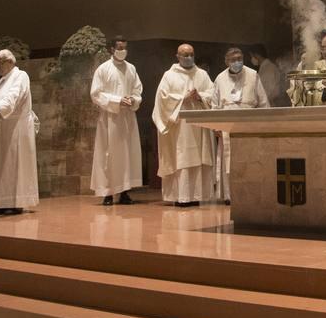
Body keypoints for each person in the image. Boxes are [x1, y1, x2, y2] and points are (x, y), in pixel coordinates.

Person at [152, 44, 214, 207]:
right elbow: (162, 99)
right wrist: (183, 98)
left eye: (191, 54)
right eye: (185, 55)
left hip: (199, 126)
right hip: (179, 126)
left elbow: (213, 94)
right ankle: (181, 196)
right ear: (177, 56)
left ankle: (196, 195)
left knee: (198, 157)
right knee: (181, 157)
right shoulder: (169, 75)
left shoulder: (202, 74)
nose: (188, 58)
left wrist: (200, 97)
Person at [90, 36, 143, 207]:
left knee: (126, 154)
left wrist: (132, 100)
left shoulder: (131, 68)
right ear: (111, 49)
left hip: (127, 117)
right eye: (119, 48)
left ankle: (125, 191)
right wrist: (117, 100)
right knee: (109, 154)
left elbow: (138, 90)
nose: (123, 51)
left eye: (125, 47)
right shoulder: (103, 69)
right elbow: (96, 94)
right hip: (110, 118)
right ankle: (107, 192)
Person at [0, 49, 38, 215]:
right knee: (3, 166)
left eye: (0, 63)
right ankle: (1, 201)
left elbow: (13, 97)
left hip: (17, 127)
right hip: (3, 125)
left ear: (10, 62)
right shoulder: (2, 81)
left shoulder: (20, 76)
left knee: (15, 164)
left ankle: (16, 201)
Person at [213, 46, 270, 203]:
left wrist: (263, 126)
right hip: (227, 126)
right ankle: (230, 196)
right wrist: (216, 127)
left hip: (249, 125)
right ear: (226, 62)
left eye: (239, 59)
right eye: (233, 60)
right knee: (229, 160)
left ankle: (251, 193)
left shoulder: (253, 75)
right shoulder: (220, 78)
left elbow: (263, 102)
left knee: (250, 160)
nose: (237, 62)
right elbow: (215, 105)